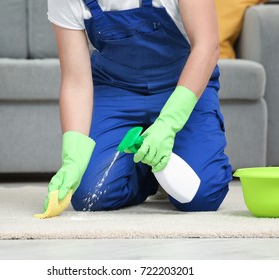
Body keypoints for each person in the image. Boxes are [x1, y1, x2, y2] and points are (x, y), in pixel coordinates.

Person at [42, 0, 232, 213]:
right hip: (116, 89)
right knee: (89, 196)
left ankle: (166, 158)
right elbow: (76, 81)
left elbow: (207, 46)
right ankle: (145, 171)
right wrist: (73, 159)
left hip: (181, 86)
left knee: (201, 196)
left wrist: (168, 124)